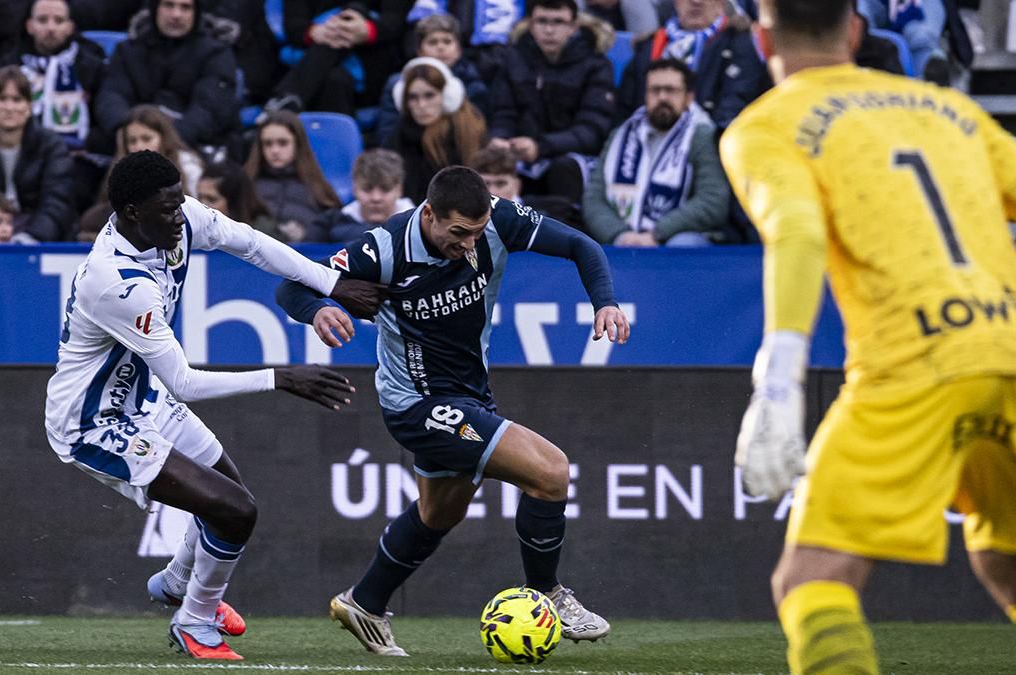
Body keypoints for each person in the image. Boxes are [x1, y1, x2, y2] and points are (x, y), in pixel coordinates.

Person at [719, 2, 1016, 674]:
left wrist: (777, 385)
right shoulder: (947, 108)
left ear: (761, 37)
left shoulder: (764, 126)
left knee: (812, 578)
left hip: (915, 360)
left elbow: (799, 233)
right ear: (856, 30)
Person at [43, 150, 384, 660]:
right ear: (132, 212)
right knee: (236, 511)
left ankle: (178, 583)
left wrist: (330, 283)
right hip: (92, 422)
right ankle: (195, 622)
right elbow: (184, 383)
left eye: (180, 201)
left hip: (144, 397)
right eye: (167, 208)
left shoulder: (175, 220)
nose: (180, 216)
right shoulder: (116, 282)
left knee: (229, 496)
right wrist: (282, 377)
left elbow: (250, 243)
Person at [276, 166, 630, 655]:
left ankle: (365, 601)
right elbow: (291, 286)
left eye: (477, 234)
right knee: (550, 472)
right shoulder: (382, 249)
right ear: (429, 214)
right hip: (416, 402)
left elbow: (581, 245)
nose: (468, 245)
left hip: (470, 394)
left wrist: (605, 302)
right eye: (458, 233)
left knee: (440, 512)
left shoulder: (499, 220)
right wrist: (319, 308)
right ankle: (548, 593)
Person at [487, 0, 616, 216]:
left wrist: (541, 147)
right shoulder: (513, 58)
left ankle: (569, 225)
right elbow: (503, 112)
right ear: (530, 24)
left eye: (558, 22)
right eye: (542, 21)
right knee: (493, 162)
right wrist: (501, 138)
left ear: (573, 27)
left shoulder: (596, 64)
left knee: (564, 168)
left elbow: (592, 129)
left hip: (572, 157)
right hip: (523, 152)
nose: (549, 30)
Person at [583, 58, 729, 247]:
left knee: (681, 245)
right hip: (622, 239)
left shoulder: (702, 135)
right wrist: (620, 235)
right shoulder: (620, 135)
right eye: (655, 90)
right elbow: (593, 199)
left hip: (677, 237)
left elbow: (713, 201)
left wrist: (657, 233)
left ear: (688, 98)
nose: (662, 97)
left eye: (671, 90)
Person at [93, 0, 240, 155]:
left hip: (192, 145)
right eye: (168, 5)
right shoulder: (128, 51)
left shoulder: (216, 54)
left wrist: (166, 141)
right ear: (155, 8)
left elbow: (209, 109)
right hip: (134, 141)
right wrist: (130, 132)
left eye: (185, 7)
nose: (176, 15)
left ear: (196, 13)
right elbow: (111, 95)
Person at [618, 0, 766, 131]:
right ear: (675, 2)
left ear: (721, 3)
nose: (696, 1)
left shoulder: (741, 45)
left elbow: (734, 108)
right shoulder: (648, 46)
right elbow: (623, 111)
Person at [0, 0, 106, 151]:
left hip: (77, 155)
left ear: (70, 27)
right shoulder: (7, 67)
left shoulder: (93, 67)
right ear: (29, 26)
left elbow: (103, 119)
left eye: (59, 20)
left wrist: (86, 145)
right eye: (42, 20)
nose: (51, 28)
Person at [260, 0, 409, 118]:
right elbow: (294, 26)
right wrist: (313, 32)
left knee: (351, 15)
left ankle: (287, 98)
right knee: (335, 79)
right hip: (315, 58)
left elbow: (395, 21)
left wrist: (368, 31)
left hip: (371, 62)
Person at [0, 66, 74, 242]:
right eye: (1, 98)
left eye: (17, 99)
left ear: (29, 106)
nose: (9, 107)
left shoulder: (51, 146)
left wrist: (33, 237)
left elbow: (58, 201)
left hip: (39, 234)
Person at [384, 58, 488, 204]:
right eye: (413, 97)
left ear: (447, 96)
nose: (421, 105)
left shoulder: (467, 131)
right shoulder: (399, 134)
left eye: (429, 95)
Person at [376, 14, 489, 146]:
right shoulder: (397, 85)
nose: (441, 47)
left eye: (447, 41)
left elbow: (477, 135)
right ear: (420, 51)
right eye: (432, 42)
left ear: (459, 50)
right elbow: (387, 136)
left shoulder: (473, 86)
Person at [244, 110, 340, 243]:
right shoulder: (246, 184)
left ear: (298, 144)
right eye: (268, 143)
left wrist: (307, 235)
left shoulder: (318, 187)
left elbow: (334, 227)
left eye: (283, 143)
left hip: (306, 253)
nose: (275, 150)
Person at [307, 148, 414, 243]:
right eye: (367, 189)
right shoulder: (330, 223)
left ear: (399, 190)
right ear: (354, 188)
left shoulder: (416, 225)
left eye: (385, 189)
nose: (376, 198)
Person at [197, 160, 280, 240]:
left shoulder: (262, 234)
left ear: (234, 203)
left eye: (211, 200)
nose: (203, 205)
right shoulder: (197, 232)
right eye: (199, 197)